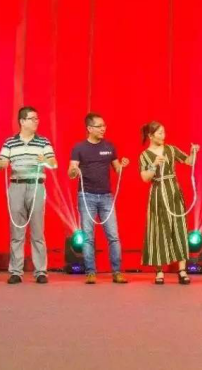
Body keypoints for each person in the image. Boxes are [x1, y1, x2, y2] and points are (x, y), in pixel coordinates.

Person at [0, 106, 57, 284]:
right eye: (32, 118)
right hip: (16, 186)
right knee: (17, 230)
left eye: (37, 118)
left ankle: (41, 271)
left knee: (38, 231)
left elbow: (54, 163)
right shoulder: (10, 142)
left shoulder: (43, 141)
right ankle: (16, 271)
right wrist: (1, 164)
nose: (36, 121)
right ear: (22, 121)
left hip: (36, 186)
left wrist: (45, 161)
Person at [68, 113, 129, 284]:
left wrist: (122, 165)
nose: (103, 129)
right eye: (99, 126)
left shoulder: (109, 146)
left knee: (113, 236)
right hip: (86, 196)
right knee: (88, 237)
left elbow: (117, 168)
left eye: (104, 126)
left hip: (106, 197)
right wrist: (73, 171)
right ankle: (90, 272)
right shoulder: (79, 148)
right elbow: (71, 172)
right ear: (89, 128)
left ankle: (117, 272)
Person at [139, 121, 199, 285]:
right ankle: (159, 271)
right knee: (159, 230)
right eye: (159, 133)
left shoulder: (171, 150)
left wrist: (193, 152)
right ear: (151, 136)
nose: (163, 136)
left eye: (163, 132)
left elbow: (189, 161)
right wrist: (154, 165)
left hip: (173, 192)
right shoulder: (145, 155)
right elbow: (145, 178)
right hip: (158, 194)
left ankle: (182, 270)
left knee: (179, 228)